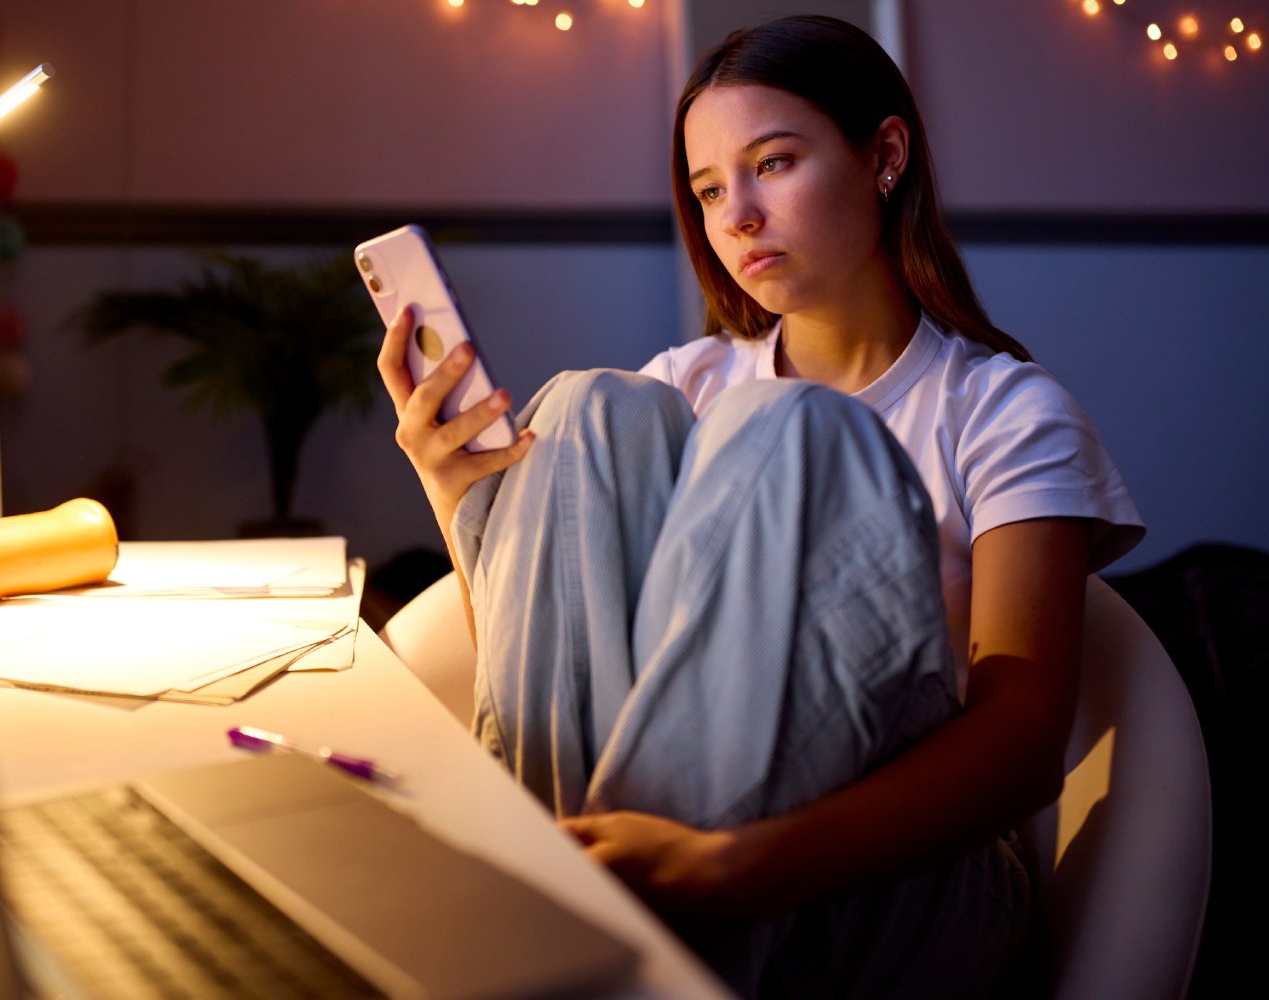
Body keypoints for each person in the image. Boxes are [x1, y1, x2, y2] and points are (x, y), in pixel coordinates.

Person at [376, 15, 1142, 998]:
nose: (734, 215)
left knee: (792, 431)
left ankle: (588, 946)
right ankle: (574, 928)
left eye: (771, 164)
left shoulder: (1001, 410)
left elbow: (1025, 746)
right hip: (630, 858)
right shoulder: (674, 387)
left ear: (886, 157)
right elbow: (558, 672)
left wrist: (744, 865)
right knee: (585, 405)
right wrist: (453, 489)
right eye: (706, 190)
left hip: (889, 878)